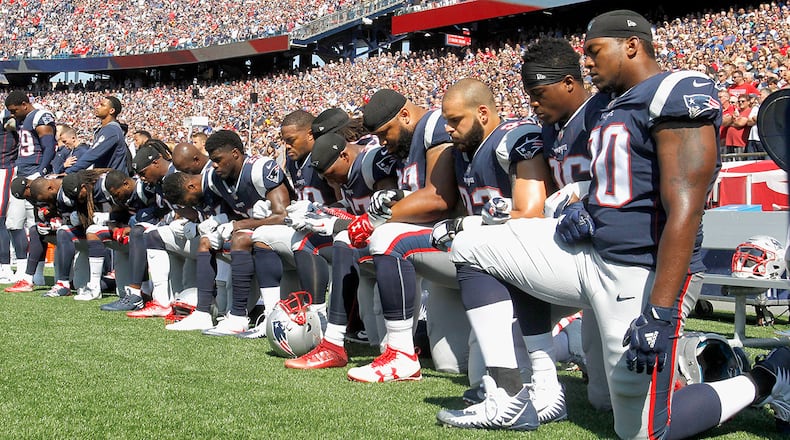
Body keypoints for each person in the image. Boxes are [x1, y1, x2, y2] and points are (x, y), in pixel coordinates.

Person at [436, 10, 790, 439]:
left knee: (643, 430)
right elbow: (620, 186)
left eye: (594, 51)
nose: (586, 63)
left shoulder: (675, 91)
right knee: (473, 245)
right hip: (591, 255)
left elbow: (684, 210)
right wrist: (583, 208)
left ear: (632, 45)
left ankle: (769, 377)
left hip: (640, 270)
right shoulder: (611, 106)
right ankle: (514, 395)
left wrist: (660, 310)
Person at [345, 88, 463, 383]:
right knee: (452, 365)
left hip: (465, 240)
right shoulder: (405, 147)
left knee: (387, 237)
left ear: (406, 115)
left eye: (386, 133)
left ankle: (401, 353)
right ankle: (405, 342)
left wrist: (375, 219)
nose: (384, 143)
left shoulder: (434, 124)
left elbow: (439, 199)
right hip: (442, 249)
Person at [283, 131, 398, 369]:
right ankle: (322, 324)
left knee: (344, 237)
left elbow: (393, 216)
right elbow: (353, 207)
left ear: (344, 156)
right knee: (377, 344)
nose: (331, 183)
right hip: (372, 247)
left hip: (403, 247)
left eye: (331, 176)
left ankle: (334, 343)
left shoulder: (372, 164)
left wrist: (338, 223)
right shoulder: (346, 173)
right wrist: (318, 210)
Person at [4, 91, 57, 291]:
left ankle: (37, 274)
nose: (12, 114)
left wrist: (41, 173)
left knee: (37, 225)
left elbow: (49, 146)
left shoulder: (40, 116)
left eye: (14, 110)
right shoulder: (23, 119)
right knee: (14, 223)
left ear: (25, 104)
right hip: (21, 174)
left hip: (35, 175)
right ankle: (24, 268)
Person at [65, 96, 130, 174]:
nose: (97, 107)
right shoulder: (107, 129)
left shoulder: (111, 130)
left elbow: (93, 154)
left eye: (102, 105)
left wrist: (69, 171)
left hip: (112, 181)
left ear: (111, 110)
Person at [0, 108, 19, 283]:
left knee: (1, 220)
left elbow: (12, 122)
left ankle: (5, 267)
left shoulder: (7, 115)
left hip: (4, 169)